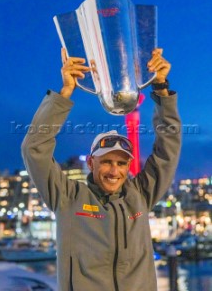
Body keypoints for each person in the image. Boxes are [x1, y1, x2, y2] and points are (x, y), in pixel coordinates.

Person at [21, 47, 181, 291]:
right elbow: (35, 149)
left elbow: (168, 148)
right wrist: (64, 95)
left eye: (121, 163)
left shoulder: (139, 196)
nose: (114, 171)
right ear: (92, 163)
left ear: (129, 166)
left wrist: (160, 87)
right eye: (106, 161)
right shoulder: (67, 198)